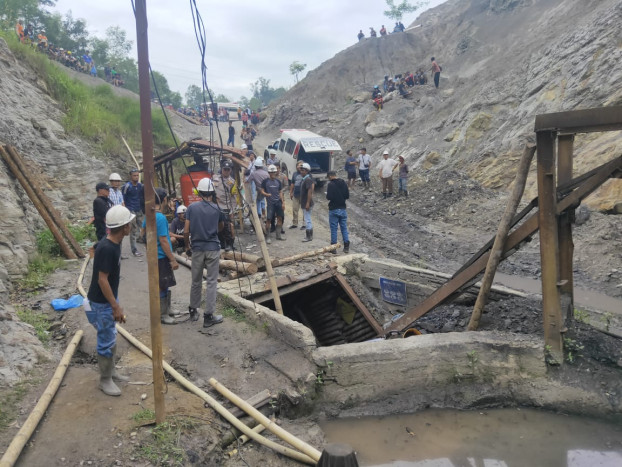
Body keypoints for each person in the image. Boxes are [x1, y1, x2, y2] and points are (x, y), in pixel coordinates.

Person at [86, 205, 133, 396]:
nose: (131, 226)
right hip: (100, 304)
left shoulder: (111, 243)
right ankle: (104, 380)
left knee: (111, 336)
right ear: (124, 227)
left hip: (106, 301)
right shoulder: (108, 248)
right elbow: (102, 279)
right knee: (106, 340)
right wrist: (115, 306)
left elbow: (97, 248)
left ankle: (111, 372)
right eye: (129, 223)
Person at [184, 178, 224, 327]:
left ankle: (193, 310)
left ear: (199, 192)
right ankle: (209, 316)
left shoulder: (191, 208)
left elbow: (186, 230)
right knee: (212, 282)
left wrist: (188, 247)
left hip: (197, 248)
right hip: (213, 248)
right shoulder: (216, 208)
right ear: (212, 192)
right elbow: (221, 227)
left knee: (196, 281)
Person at [141, 188, 179, 324]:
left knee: (164, 283)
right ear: (164, 200)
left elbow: (142, 233)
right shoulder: (161, 218)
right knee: (162, 285)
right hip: (162, 256)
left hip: (154, 255)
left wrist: (149, 248)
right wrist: (172, 259)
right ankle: (163, 314)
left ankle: (167, 309)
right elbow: (163, 240)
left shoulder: (148, 215)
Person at [212, 159, 237, 252]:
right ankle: (221, 244)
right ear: (221, 169)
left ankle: (229, 244)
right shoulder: (215, 178)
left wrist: (232, 210)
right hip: (216, 206)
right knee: (218, 227)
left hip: (226, 207)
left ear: (230, 170)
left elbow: (234, 197)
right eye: (224, 169)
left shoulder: (232, 182)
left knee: (228, 226)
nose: (226, 171)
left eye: (228, 169)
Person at [260, 165, 286, 244]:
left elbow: (280, 192)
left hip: (278, 202)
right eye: (271, 172)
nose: (273, 174)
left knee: (280, 218)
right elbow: (262, 190)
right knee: (269, 219)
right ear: (269, 173)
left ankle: (278, 235)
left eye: (274, 172)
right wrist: (266, 194)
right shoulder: (265, 181)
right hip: (270, 203)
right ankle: (267, 236)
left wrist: (283, 202)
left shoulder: (278, 181)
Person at [326, 171, 350, 254]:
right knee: (344, 228)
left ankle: (333, 248)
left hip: (333, 209)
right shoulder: (343, 183)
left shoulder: (330, 184)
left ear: (330, 176)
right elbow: (347, 196)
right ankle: (346, 246)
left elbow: (329, 197)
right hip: (342, 208)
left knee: (334, 228)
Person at [122, 169, 145, 256]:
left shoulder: (140, 186)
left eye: (137, 175)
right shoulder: (127, 186)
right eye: (134, 175)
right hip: (130, 210)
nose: (136, 177)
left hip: (139, 209)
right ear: (130, 176)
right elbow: (122, 199)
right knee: (133, 229)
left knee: (142, 226)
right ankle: (134, 249)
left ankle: (140, 240)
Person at [299, 163, 315, 242]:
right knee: (307, 219)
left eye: (303, 170)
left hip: (306, 203)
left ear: (307, 171)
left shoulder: (307, 179)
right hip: (305, 202)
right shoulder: (305, 179)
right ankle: (309, 236)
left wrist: (307, 203)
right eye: (301, 170)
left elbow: (310, 192)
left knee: (307, 219)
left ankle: (309, 236)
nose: (301, 171)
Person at [289, 161, 305, 229]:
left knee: (304, 209)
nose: (299, 166)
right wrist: (291, 192)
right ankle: (295, 223)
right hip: (296, 194)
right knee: (295, 209)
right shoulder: (295, 174)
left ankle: (304, 224)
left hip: (304, 195)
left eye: (301, 165)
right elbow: (292, 183)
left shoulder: (306, 174)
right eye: (298, 165)